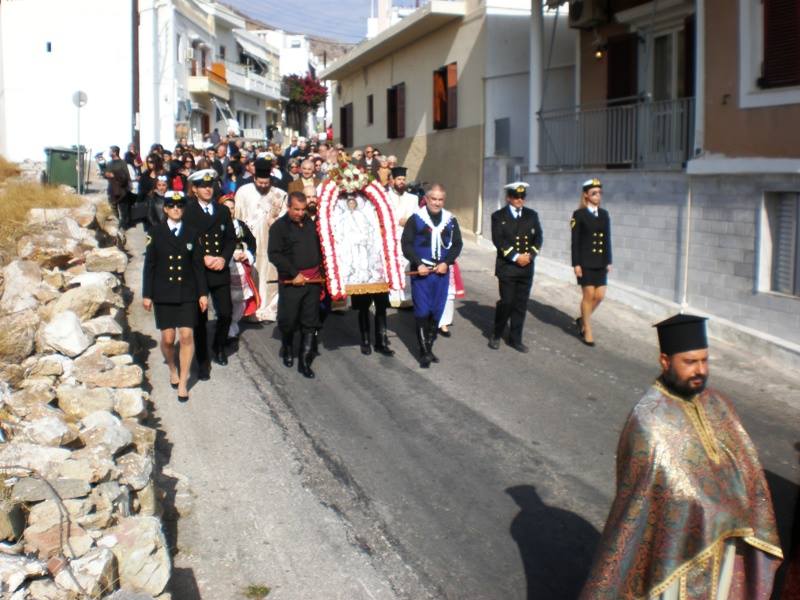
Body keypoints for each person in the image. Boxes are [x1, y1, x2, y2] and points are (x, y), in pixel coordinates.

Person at [580, 314, 783, 599]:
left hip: (727, 544)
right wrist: (709, 511)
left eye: (704, 360)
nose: (700, 370)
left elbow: (748, 468)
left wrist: (736, 506)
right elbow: (651, 497)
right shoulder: (648, 420)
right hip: (676, 557)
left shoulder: (719, 404)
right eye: (690, 362)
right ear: (665, 361)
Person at [142, 191, 208, 402]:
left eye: (180, 206)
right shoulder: (155, 232)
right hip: (163, 292)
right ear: (166, 208)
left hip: (187, 292)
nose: (176, 209)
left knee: (187, 336)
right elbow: (149, 265)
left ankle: (183, 383)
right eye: (172, 206)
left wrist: (202, 293)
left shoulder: (192, 233)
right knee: (168, 339)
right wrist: (147, 294)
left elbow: (198, 266)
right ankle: (172, 368)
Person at [401, 183, 463, 368]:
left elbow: (457, 244)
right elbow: (407, 244)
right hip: (422, 273)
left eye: (440, 199)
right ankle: (424, 352)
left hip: (441, 272)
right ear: (426, 199)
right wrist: (418, 263)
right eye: (433, 199)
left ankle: (428, 345)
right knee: (422, 310)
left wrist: (447, 262)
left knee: (437, 310)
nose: (436, 203)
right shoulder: (416, 219)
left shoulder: (450, 220)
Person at [183, 169, 235, 377]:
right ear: (194, 189)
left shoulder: (222, 211)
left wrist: (223, 257)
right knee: (200, 320)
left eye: (210, 185)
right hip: (198, 272)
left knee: (225, 313)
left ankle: (219, 346)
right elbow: (185, 240)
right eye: (203, 186)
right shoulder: (187, 211)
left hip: (219, 268)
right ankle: (202, 361)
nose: (208, 189)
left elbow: (230, 238)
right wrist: (201, 257)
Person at [268, 191, 323, 379]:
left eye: (303, 209)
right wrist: (294, 273)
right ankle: (288, 345)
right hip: (292, 282)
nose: (301, 213)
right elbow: (274, 254)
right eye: (296, 209)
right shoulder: (278, 228)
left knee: (310, 321)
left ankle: (305, 361)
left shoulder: (313, 224)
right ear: (288, 207)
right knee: (289, 320)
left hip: (314, 281)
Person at [489, 182, 543, 353]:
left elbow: (538, 238)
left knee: (520, 304)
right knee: (507, 302)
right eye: (516, 197)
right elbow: (499, 241)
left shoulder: (531, 215)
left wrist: (530, 256)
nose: (520, 200)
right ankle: (497, 334)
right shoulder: (498, 216)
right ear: (509, 198)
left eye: (522, 197)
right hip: (508, 267)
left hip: (526, 267)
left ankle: (515, 339)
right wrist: (516, 257)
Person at [234, 158, 287, 322]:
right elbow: (237, 217)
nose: (263, 186)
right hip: (249, 242)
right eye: (260, 182)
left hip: (271, 242)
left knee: (269, 274)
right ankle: (252, 309)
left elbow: (284, 219)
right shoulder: (243, 192)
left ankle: (269, 309)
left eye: (266, 183)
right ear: (254, 178)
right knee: (252, 274)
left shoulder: (279, 194)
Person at [571, 178, 611, 347]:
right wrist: (576, 264)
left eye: (599, 193)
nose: (597, 196)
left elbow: (607, 239)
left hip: (601, 261)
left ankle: (582, 319)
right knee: (588, 295)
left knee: (600, 296)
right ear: (586, 195)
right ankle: (587, 329)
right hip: (585, 262)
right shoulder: (578, 215)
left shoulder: (604, 214)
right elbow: (575, 241)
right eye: (594, 193)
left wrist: (609, 260)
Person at [219, 194, 258, 341]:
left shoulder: (240, 225)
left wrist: (246, 253)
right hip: (224, 266)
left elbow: (252, 242)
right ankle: (227, 327)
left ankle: (233, 323)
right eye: (226, 208)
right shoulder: (217, 225)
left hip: (240, 268)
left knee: (240, 298)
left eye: (232, 208)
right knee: (226, 298)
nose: (230, 211)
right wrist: (228, 255)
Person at [386, 167, 419, 308]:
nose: (401, 182)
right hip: (390, 237)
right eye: (399, 179)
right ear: (392, 180)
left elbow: (417, 217)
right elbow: (381, 216)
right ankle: (392, 296)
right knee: (392, 266)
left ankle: (406, 297)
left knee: (406, 265)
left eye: (403, 179)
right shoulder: (385, 197)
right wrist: (397, 221)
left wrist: (409, 221)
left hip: (407, 237)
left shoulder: (413, 198)